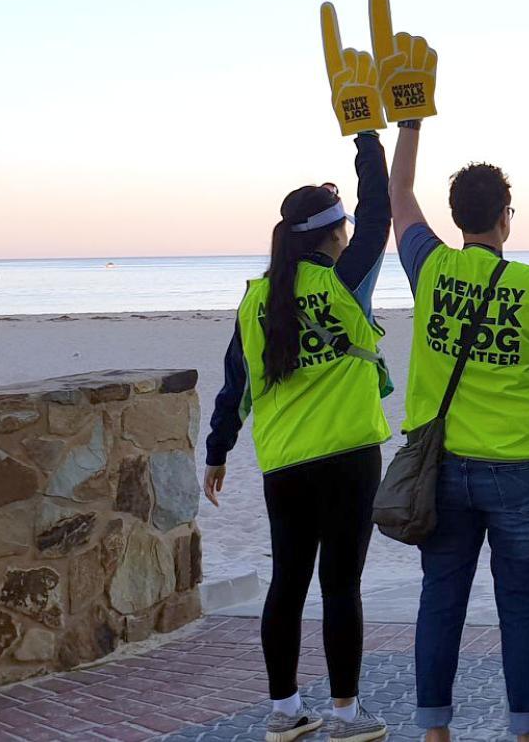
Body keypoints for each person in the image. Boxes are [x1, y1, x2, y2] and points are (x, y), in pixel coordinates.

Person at [200, 128, 395, 742]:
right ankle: (344, 715)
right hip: (348, 457)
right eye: (344, 231)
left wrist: (217, 451)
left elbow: (236, 381)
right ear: (335, 236)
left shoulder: (256, 299)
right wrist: (368, 139)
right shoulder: (343, 281)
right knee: (341, 586)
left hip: (283, 463)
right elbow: (380, 213)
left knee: (287, 584)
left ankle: (283, 713)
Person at [390, 122, 529, 741]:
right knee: (520, 605)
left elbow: (398, 192)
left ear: (457, 217)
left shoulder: (431, 268)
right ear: (506, 219)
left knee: (442, 597)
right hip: (523, 467)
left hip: (443, 468)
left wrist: (408, 125)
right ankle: (525, 732)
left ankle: (435, 730)